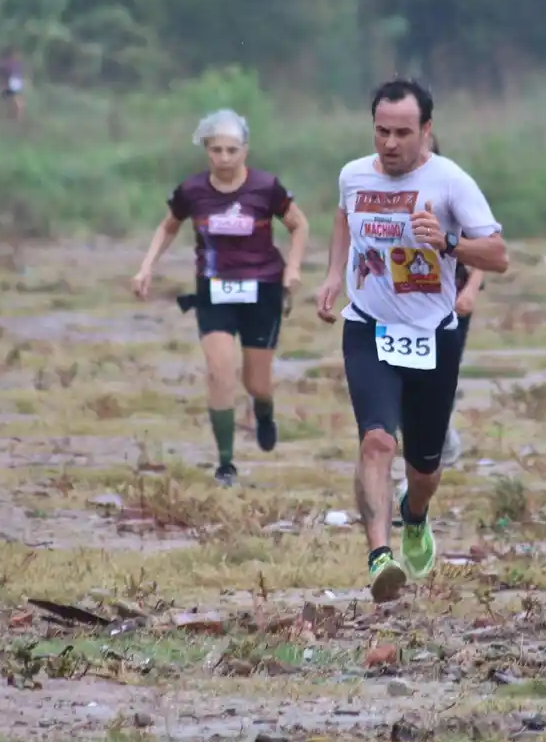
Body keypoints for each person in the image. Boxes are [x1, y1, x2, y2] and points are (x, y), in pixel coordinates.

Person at [316, 79, 509, 603]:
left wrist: (447, 242)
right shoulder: (353, 176)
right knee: (377, 440)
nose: (391, 143)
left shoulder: (451, 182)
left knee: (423, 469)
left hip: (431, 336)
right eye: (382, 131)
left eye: (403, 132)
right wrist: (335, 274)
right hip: (368, 327)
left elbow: (498, 255)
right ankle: (380, 556)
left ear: (427, 130)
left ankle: (415, 516)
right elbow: (342, 216)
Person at [131, 109, 309, 488]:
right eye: (216, 150)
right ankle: (226, 463)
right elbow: (168, 226)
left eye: (231, 150)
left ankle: (264, 411)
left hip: (262, 289)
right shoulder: (192, 191)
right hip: (215, 289)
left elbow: (299, 224)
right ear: (206, 151)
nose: (224, 158)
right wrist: (146, 266)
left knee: (256, 383)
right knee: (219, 372)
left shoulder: (266, 188)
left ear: (245, 150)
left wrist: (292, 269)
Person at [392, 132, 482, 505]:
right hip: (398, 307)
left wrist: (470, 291)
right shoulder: (382, 195)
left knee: (431, 388)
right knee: (397, 389)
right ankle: (421, 458)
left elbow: (484, 247)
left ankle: (433, 451)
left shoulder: (454, 190)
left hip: (448, 307)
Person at [0, 46, 25, 122]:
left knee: (14, 104)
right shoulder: (6, 63)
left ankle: (13, 120)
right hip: (9, 85)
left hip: (14, 85)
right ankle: (11, 120)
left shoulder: (16, 64)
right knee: (12, 104)